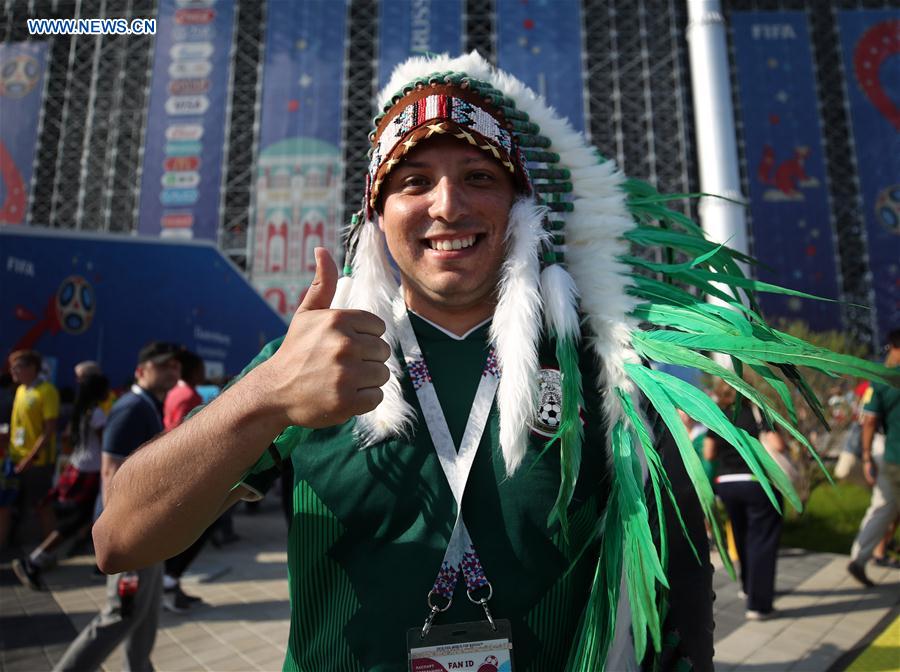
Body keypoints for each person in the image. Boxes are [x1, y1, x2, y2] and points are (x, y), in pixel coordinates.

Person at [91, 53, 891, 671]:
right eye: (414, 182)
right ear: (377, 213)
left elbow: (676, 586)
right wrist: (263, 396)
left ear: (520, 209)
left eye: (479, 177)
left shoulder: (601, 365)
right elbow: (121, 538)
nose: (448, 205)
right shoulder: (312, 357)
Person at [53, 342, 180, 672]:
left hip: (148, 532)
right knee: (119, 616)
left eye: (175, 365)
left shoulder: (149, 405)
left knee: (145, 616)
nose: (172, 370)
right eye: (162, 364)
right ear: (141, 370)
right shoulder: (131, 407)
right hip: (131, 534)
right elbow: (110, 472)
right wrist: (120, 535)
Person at [12, 373, 110, 589]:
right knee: (83, 518)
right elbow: (107, 448)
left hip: (78, 466)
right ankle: (36, 560)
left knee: (83, 518)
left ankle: (91, 561)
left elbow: (68, 438)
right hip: (92, 471)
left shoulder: (80, 410)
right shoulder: (97, 414)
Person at [704, 379, 788, 620]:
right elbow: (777, 445)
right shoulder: (757, 413)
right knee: (761, 539)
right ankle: (759, 604)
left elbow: (709, 453)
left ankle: (747, 586)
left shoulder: (717, 416)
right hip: (756, 481)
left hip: (727, 484)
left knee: (740, 534)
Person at [848, 328, 900, 586]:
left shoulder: (883, 379)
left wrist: (867, 457)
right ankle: (864, 557)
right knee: (886, 506)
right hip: (893, 456)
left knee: (884, 506)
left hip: (893, 456)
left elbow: (869, 421)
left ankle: (861, 557)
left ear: (892, 347)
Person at [161, 350, 208, 612]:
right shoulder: (189, 396)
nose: (204, 375)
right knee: (196, 529)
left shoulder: (175, 393)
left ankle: (171, 581)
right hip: (187, 471)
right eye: (200, 369)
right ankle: (169, 582)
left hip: (178, 468)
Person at [1, 350, 59, 548]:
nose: (12, 372)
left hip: (37, 462)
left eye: (16, 367)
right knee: (12, 505)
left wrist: (30, 458)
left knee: (42, 505)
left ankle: (48, 550)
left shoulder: (47, 391)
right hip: (15, 458)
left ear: (31, 368)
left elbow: (49, 429)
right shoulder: (20, 391)